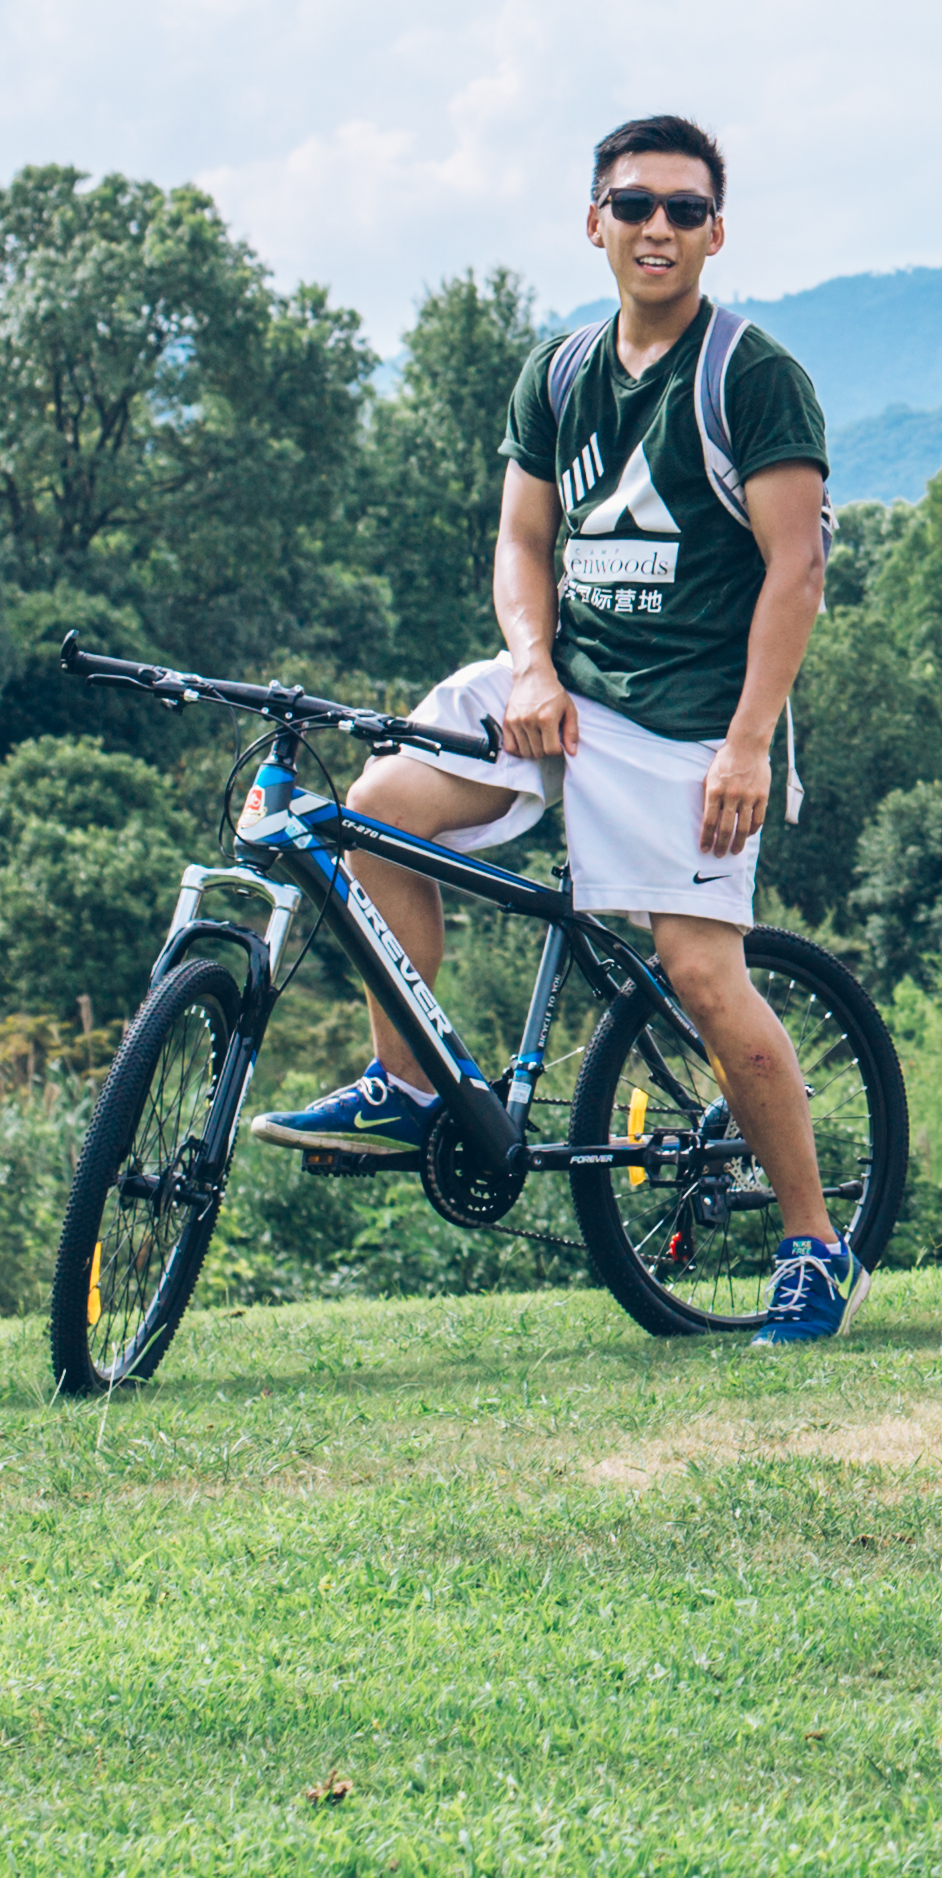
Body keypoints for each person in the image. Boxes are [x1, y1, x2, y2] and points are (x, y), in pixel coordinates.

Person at [252, 116, 862, 1349]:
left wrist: (748, 744)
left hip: (692, 723)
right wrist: (531, 665)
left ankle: (812, 1244)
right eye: (634, 205)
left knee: (701, 976)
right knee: (378, 809)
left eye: (685, 211)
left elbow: (794, 574)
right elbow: (522, 546)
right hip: (559, 692)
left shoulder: (749, 376)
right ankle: (411, 1086)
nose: (658, 228)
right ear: (595, 223)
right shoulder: (562, 371)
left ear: (715, 234)